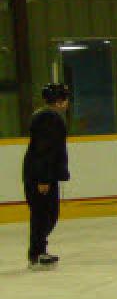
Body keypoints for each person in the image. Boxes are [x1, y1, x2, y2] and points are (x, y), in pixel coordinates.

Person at [23, 83, 71, 270]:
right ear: (59, 101)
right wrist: (43, 179)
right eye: (66, 99)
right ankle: (37, 253)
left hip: (43, 173)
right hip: (41, 175)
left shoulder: (47, 116)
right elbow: (44, 151)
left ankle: (39, 250)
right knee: (43, 214)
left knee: (47, 214)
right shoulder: (49, 118)